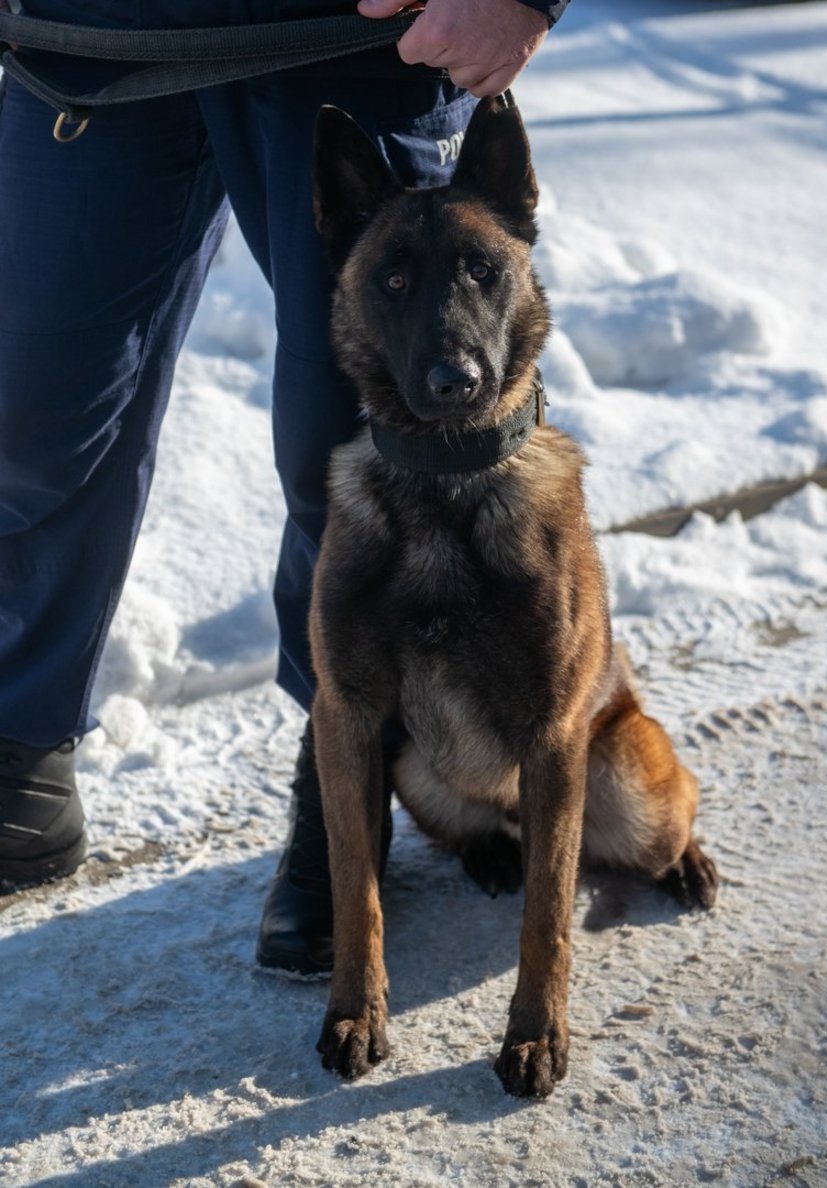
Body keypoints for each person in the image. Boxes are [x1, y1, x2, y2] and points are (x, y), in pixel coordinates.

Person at [0, 0, 568, 969]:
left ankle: (344, 792)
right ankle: (18, 754)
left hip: (348, 39)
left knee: (361, 441)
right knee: (30, 411)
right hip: (88, 35)